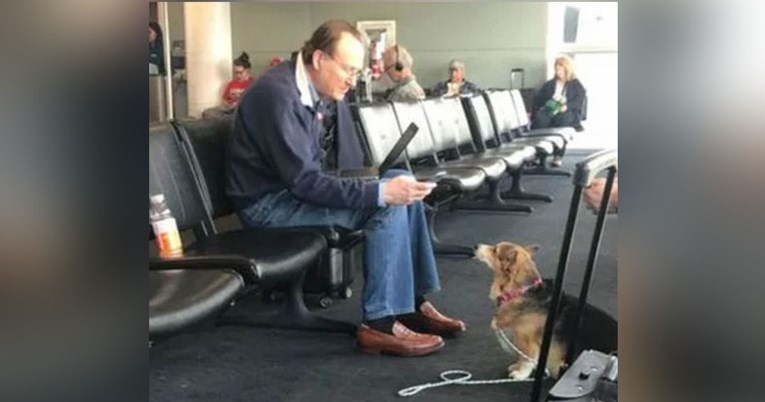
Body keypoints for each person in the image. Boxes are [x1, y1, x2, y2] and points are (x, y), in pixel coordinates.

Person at [226, 20, 465, 357]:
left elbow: (335, 162)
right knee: (386, 201)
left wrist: (377, 183)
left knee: (399, 179)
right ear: (320, 58)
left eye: (357, 71)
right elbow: (304, 182)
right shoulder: (276, 96)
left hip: (291, 194)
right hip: (268, 207)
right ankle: (379, 324)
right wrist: (377, 192)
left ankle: (410, 301)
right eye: (349, 70)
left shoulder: (317, 90)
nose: (354, 80)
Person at [201, 52, 256, 120]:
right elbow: (224, 101)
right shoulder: (231, 84)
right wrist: (228, 104)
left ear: (247, 70)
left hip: (243, 108)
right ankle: (228, 119)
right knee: (207, 113)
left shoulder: (253, 83)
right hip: (229, 109)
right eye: (236, 73)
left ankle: (229, 120)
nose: (238, 75)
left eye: (240, 72)